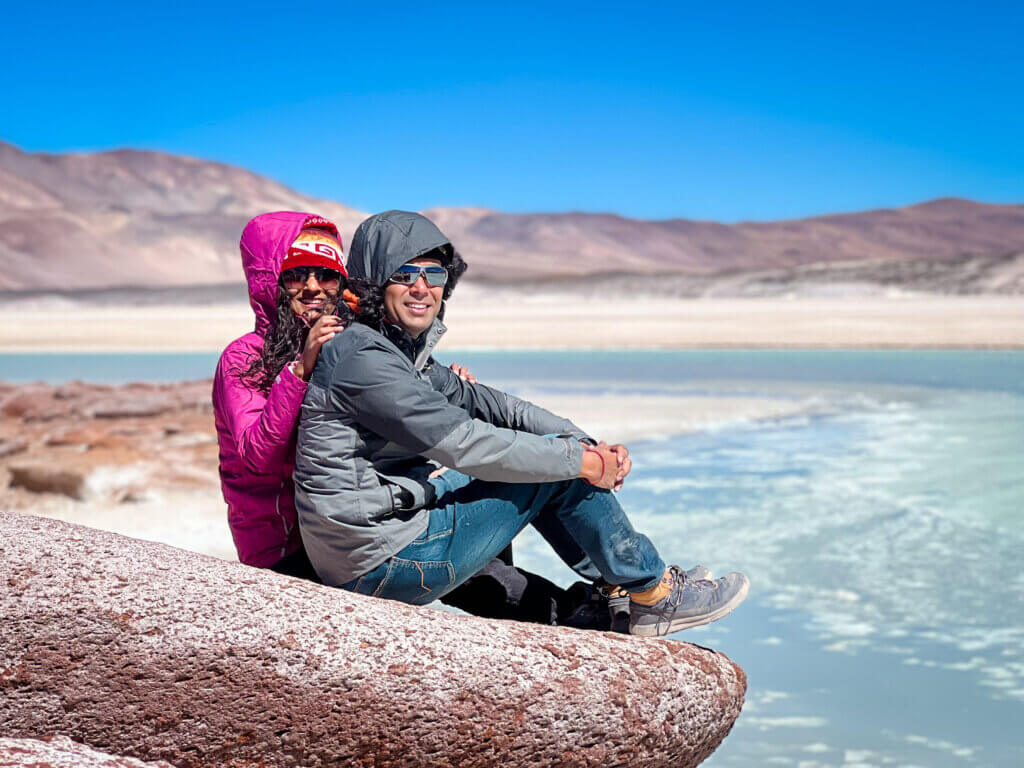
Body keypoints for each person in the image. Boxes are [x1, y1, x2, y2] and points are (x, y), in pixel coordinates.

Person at [294, 210, 748, 637]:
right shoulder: (363, 359)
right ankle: (652, 592)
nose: (421, 287)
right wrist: (582, 462)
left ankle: (618, 587)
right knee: (556, 471)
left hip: (380, 541)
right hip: (379, 561)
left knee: (555, 454)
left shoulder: (399, 355)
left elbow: (495, 407)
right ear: (375, 285)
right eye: (404, 274)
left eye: (433, 274)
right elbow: (465, 444)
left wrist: (585, 442)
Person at [212, 211, 608, 625]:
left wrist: (439, 398)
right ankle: (588, 613)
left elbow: (394, 407)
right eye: (297, 275)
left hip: (357, 521)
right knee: (477, 569)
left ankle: (585, 613)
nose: (313, 288)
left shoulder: (345, 341)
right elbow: (257, 457)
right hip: (289, 548)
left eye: (326, 276)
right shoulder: (244, 358)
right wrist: (298, 374)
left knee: (484, 508)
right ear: (269, 279)